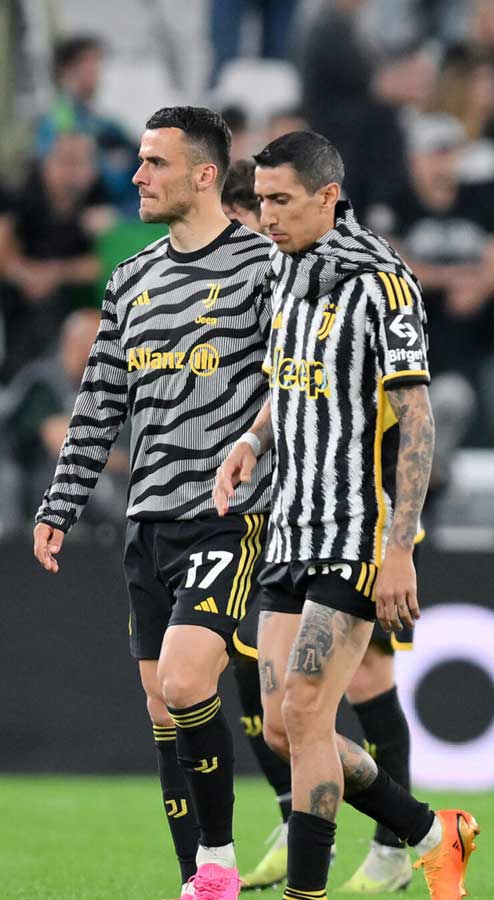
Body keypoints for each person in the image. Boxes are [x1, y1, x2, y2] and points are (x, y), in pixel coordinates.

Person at [212, 131, 476, 900]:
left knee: (305, 709)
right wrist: (252, 441)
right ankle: (431, 833)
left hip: (355, 532)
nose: (265, 216)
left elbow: (417, 416)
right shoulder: (285, 269)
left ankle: (309, 889)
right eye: (261, 201)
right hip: (290, 526)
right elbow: (290, 379)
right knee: (286, 726)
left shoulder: (382, 283)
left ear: (328, 197)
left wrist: (400, 548)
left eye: (280, 201)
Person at [31, 106, 275, 900]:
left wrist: (263, 453)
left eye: (154, 163)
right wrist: (61, 503)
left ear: (205, 175)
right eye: (139, 161)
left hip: (230, 515)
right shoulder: (130, 279)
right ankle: (197, 878)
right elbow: (99, 402)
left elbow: (296, 385)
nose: (136, 176)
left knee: (185, 679)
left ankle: (218, 863)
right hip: (149, 521)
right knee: (162, 706)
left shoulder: (264, 267)